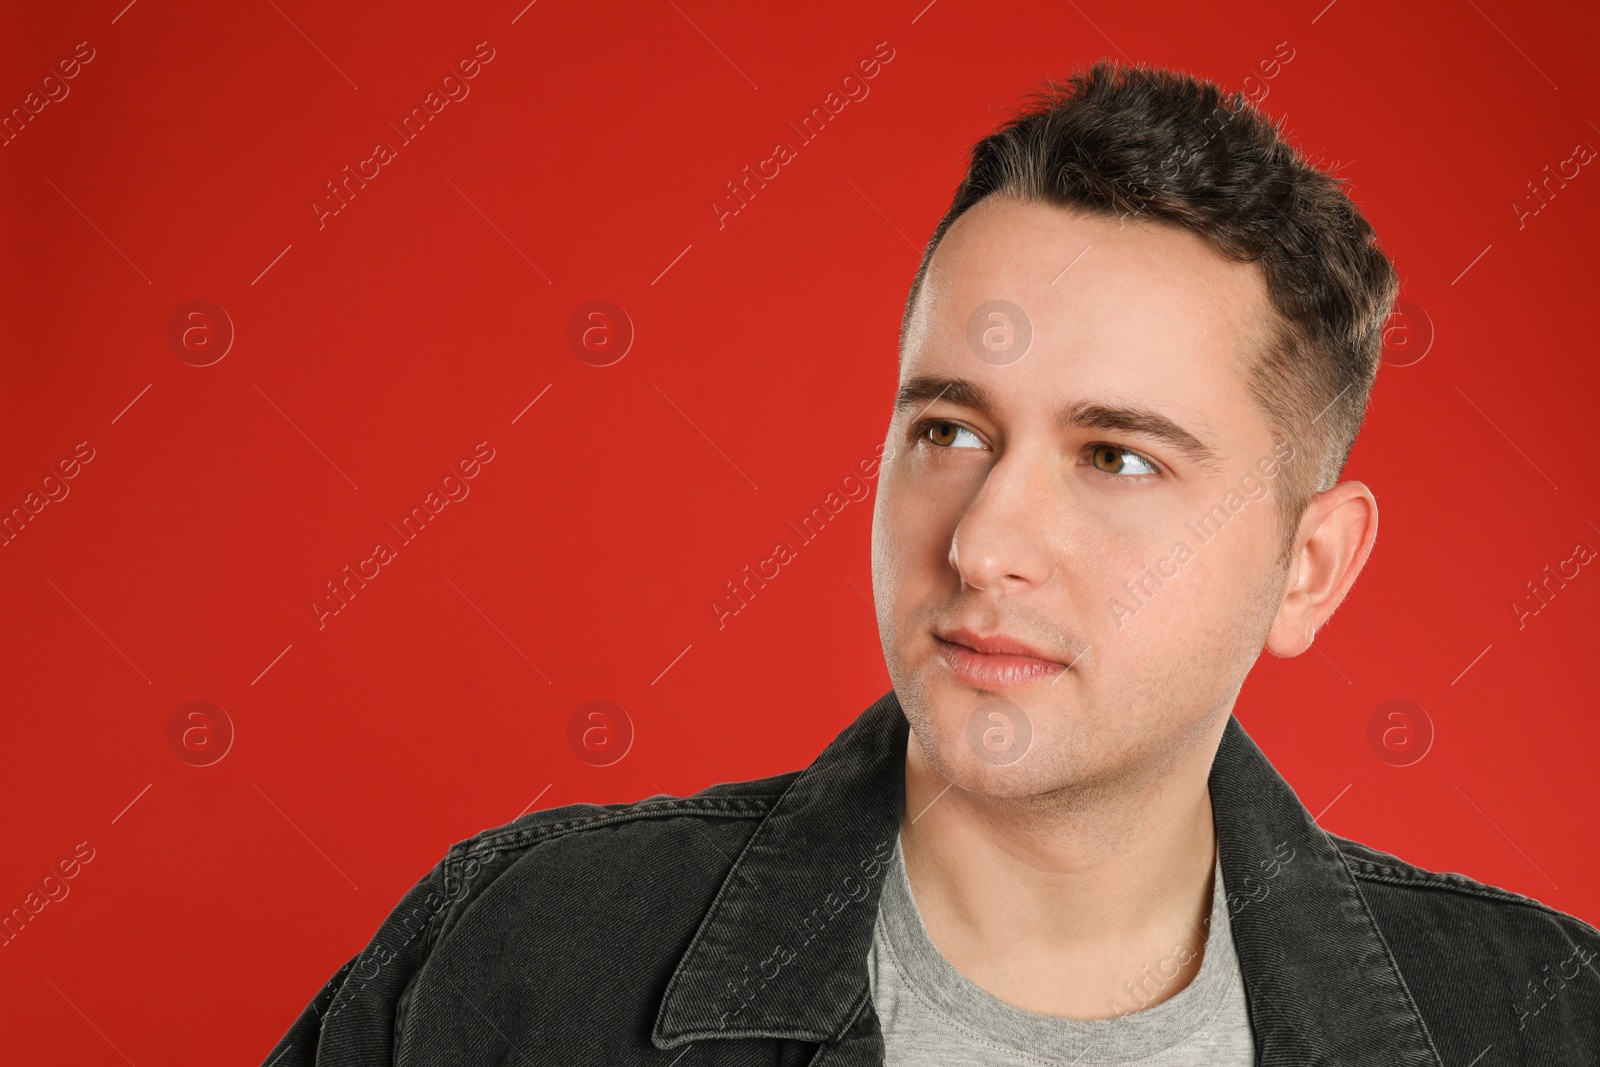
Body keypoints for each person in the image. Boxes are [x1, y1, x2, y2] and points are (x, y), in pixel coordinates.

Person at [260, 59, 1600, 1067]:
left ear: (1310, 567)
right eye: (949, 429)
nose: (981, 541)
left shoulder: (1542, 1019)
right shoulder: (524, 958)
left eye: (1115, 458)